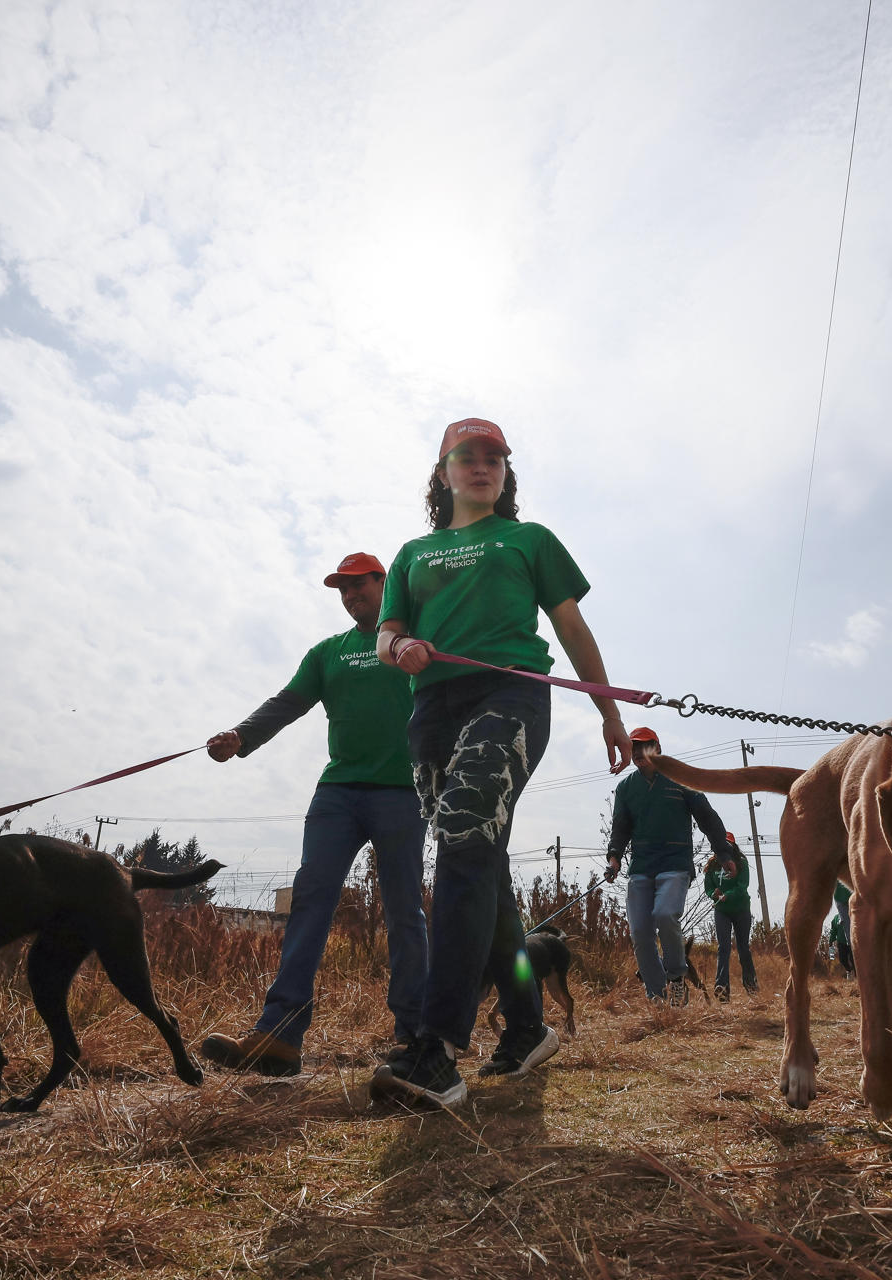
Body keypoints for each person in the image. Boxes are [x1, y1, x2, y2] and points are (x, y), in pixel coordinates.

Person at [370, 417, 632, 1108]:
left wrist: (610, 713)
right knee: (479, 859)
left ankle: (435, 1048)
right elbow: (386, 633)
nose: (482, 466)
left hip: (510, 693)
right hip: (432, 707)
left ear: (506, 472)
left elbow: (571, 626)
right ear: (443, 473)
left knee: (463, 838)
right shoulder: (413, 553)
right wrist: (399, 649)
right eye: (467, 457)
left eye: (495, 458)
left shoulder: (529, 539)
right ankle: (527, 1026)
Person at [198, 553, 428, 1077]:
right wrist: (241, 735)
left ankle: (416, 1037)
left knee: (403, 910)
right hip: (338, 793)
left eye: (359, 585)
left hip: (402, 792)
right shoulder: (328, 653)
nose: (350, 596)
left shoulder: (414, 643)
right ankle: (279, 1036)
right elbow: (288, 702)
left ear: (384, 583)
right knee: (310, 899)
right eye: (342, 589)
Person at [606, 726, 738, 1005]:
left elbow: (707, 817)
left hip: (675, 865)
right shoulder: (626, 788)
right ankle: (656, 994)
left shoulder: (680, 780)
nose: (639, 752)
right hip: (641, 867)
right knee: (640, 932)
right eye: (634, 747)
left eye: (645, 746)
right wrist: (614, 857)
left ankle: (676, 977)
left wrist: (724, 854)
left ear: (658, 749)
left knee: (666, 914)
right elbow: (620, 828)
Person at [702, 833, 759, 998]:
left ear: (733, 846)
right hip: (722, 911)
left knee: (743, 948)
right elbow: (708, 888)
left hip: (741, 909)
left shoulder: (741, 862)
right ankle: (722, 988)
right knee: (723, 947)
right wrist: (713, 894)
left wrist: (728, 895)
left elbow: (742, 886)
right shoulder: (712, 865)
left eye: (728, 845)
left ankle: (751, 985)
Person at [830, 883, 855, 978]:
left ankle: (856, 975)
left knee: (853, 957)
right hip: (841, 943)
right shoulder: (835, 919)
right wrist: (831, 956)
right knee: (843, 960)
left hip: (851, 941)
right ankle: (849, 970)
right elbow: (832, 935)